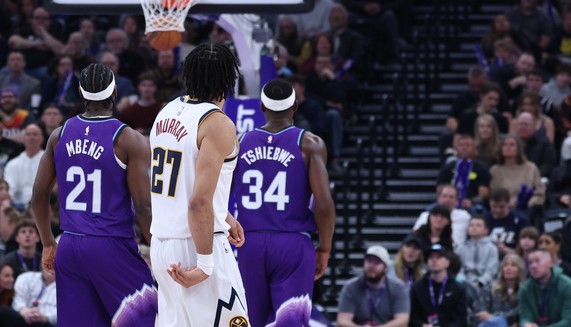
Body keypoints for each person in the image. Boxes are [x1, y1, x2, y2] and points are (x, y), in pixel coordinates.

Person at [30, 62, 157, 326]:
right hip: (110, 244)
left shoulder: (59, 134)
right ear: (114, 93)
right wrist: (159, 249)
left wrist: (47, 243)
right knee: (149, 316)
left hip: (69, 244)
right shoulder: (128, 138)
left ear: (80, 92)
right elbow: (143, 207)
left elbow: (39, 196)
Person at [147, 43, 250, 326]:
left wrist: (223, 213)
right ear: (228, 80)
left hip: (163, 244)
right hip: (199, 244)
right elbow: (198, 201)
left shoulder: (166, 112)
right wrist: (205, 265)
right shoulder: (217, 123)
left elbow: (181, 181)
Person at [233, 79, 336, 326]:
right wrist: (325, 247)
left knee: (250, 320)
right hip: (292, 241)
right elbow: (324, 204)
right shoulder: (310, 144)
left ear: (261, 107)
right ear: (295, 106)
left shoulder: (238, 142)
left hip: (249, 242)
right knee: (291, 321)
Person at [335, 245, 410, 327]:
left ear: (386, 268)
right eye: (369, 261)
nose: (371, 265)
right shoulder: (351, 287)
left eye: (377, 262)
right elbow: (342, 320)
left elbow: (402, 321)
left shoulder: (398, 288)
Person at [408, 244, 466, 327]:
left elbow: (461, 320)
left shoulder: (458, 288)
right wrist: (422, 325)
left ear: (447, 262)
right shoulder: (417, 287)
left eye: (439, 257)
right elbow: (412, 316)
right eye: (431, 257)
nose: (434, 260)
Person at [518, 249, 571, 327]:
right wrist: (526, 324)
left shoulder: (568, 286)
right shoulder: (525, 289)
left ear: (550, 263)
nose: (533, 266)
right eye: (530, 263)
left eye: (537, 261)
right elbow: (525, 316)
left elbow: (570, 320)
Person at [472, 253, 526, 327]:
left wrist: (494, 318)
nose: (508, 268)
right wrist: (496, 320)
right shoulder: (490, 289)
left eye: (513, 265)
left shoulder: (525, 291)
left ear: (520, 269)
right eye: (505, 265)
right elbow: (480, 312)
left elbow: (520, 311)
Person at [2, 124, 45, 206]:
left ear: (42, 139)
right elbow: (9, 188)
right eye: (28, 134)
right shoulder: (12, 164)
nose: (31, 137)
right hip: (16, 206)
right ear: (23, 139)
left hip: (42, 205)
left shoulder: (50, 161)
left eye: (35, 134)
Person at [458, 215, 499, 289]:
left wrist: (480, 282)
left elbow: (492, 270)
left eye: (478, 225)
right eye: (471, 225)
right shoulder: (461, 248)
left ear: (486, 230)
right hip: (465, 285)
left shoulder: (492, 248)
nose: (474, 227)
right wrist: (464, 282)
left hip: (486, 285)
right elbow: (459, 269)